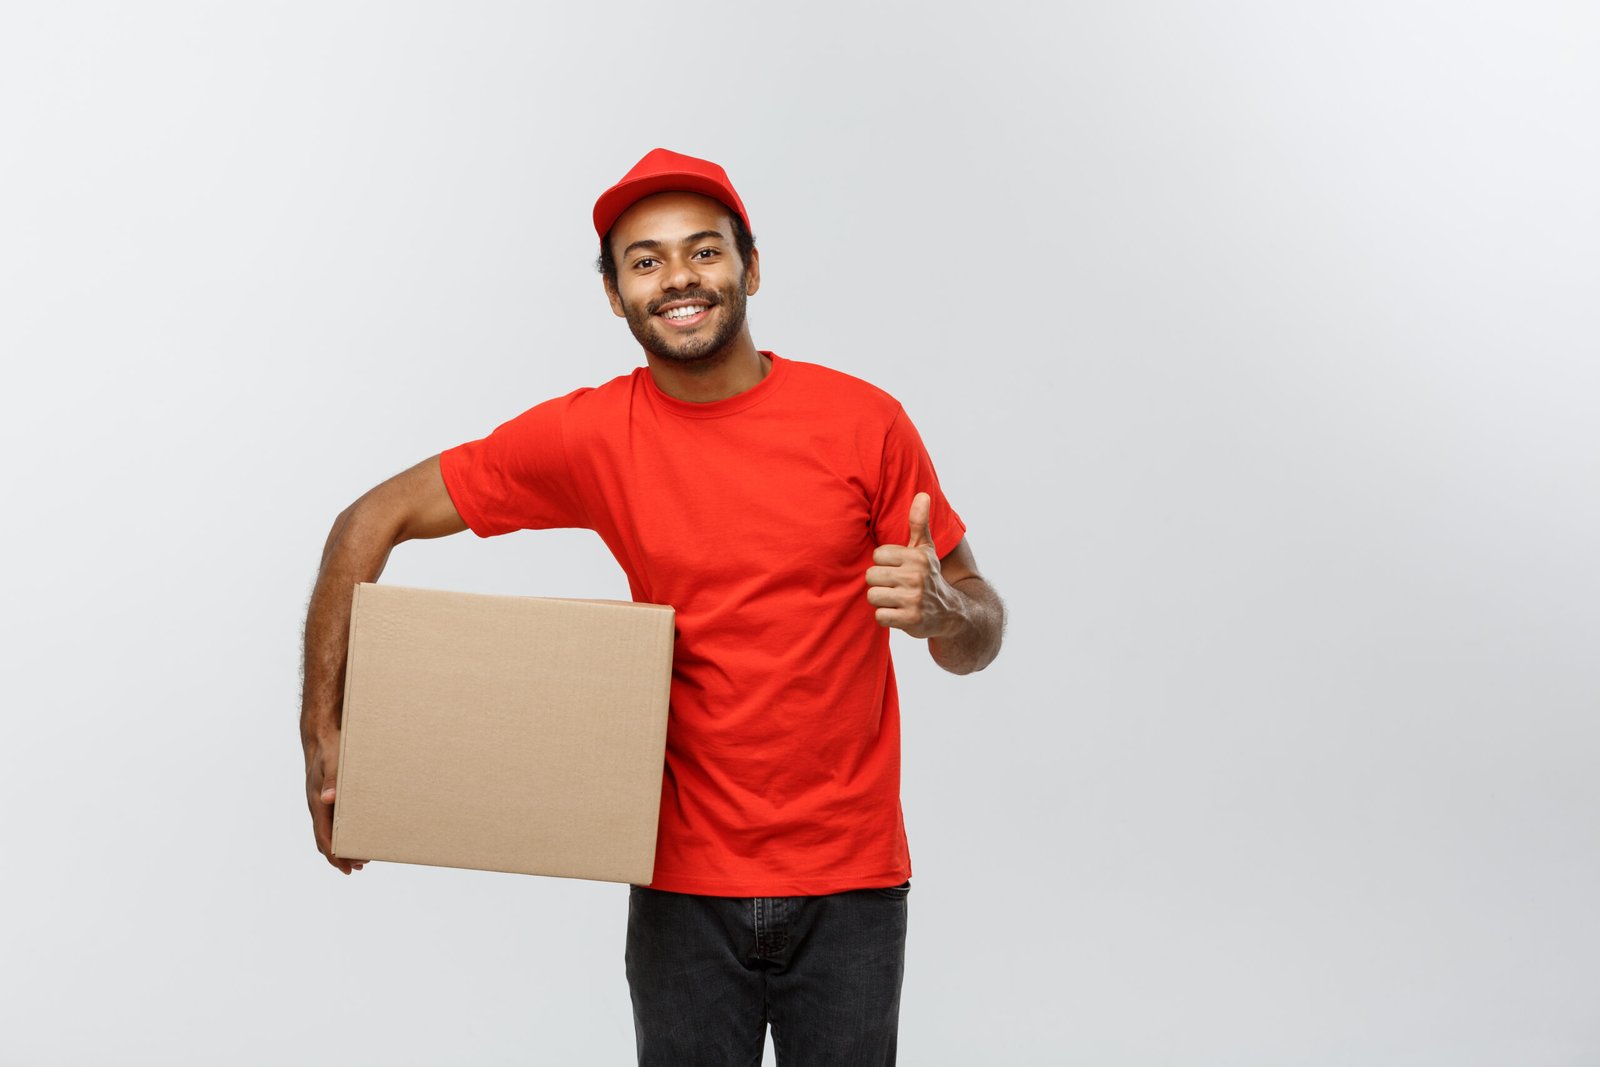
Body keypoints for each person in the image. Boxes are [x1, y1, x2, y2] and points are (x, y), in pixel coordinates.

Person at [299, 147, 1006, 1065]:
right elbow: (370, 519)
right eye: (645, 260)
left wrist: (945, 609)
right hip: (680, 885)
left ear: (750, 268)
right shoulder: (594, 435)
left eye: (704, 251)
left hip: (853, 884)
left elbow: (976, 637)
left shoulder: (863, 423)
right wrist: (325, 730)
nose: (678, 277)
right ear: (614, 294)